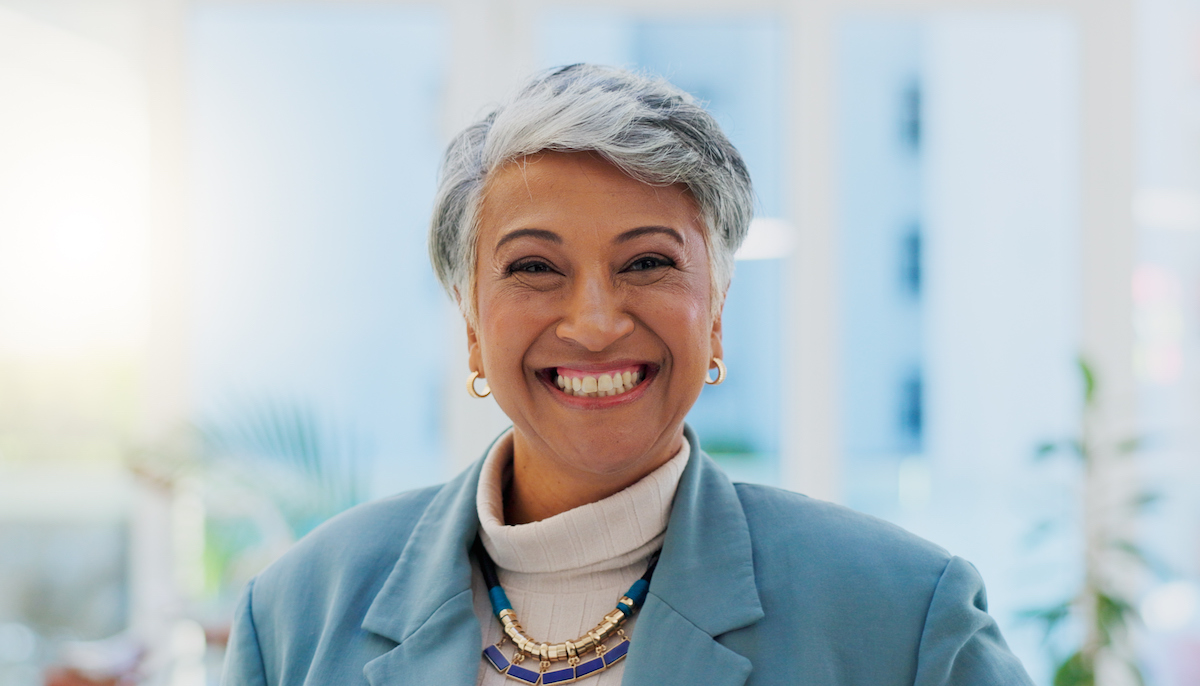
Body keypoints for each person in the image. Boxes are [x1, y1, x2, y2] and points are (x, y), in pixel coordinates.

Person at [221, 64, 1035, 686]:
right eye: (534, 268)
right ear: (470, 326)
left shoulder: (902, 616)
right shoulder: (295, 616)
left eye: (647, 262)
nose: (595, 323)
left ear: (715, 313)